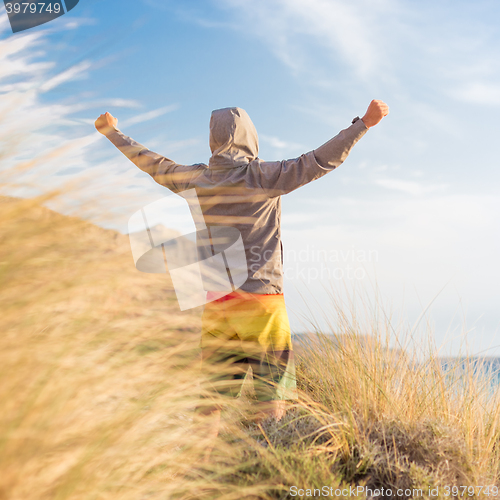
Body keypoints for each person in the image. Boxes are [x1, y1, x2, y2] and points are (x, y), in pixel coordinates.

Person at [95, 100, 389, 457]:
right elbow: (319, 161)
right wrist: (364, 125)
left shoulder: (197, 179)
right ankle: (268, 471)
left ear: (212, 140)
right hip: (262, 306)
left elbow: (152, 164)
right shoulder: (265, 176)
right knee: (271, 395)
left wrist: (113, 133)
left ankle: (198, 471)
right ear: (251, 137)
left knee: (211, 400)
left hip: (218, 305)